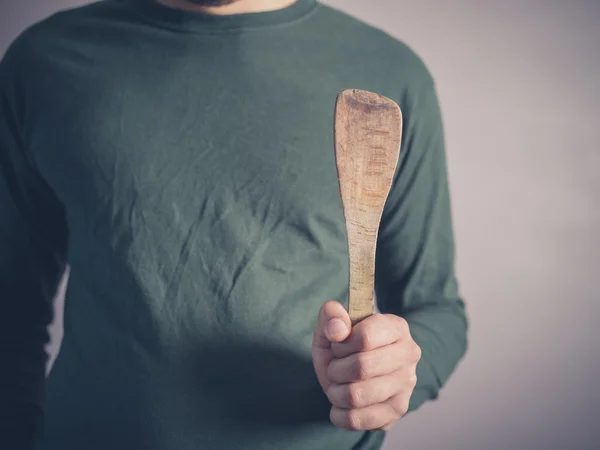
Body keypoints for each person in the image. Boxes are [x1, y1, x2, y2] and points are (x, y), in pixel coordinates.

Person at [0, 0, 469, 449]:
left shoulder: (388, 73)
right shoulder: (41, 63)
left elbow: (435, 310)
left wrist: (393, 370)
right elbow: (11, 313)